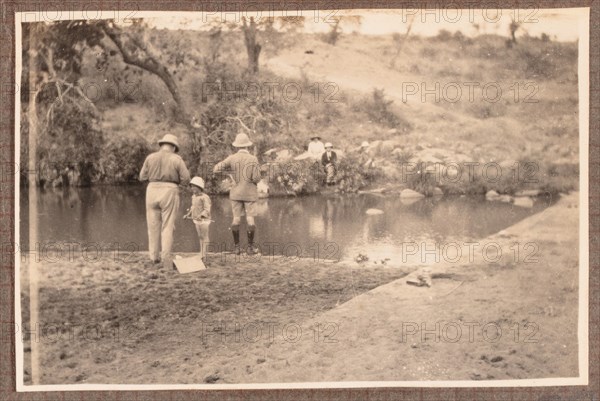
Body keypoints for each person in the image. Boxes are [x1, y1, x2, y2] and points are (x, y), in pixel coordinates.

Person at [139, 134, 191, 268]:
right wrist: (176, 184)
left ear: (162, 145)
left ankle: (153, 257)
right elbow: (186, 178)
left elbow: (141, 177)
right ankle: (166, 258)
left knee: (152, 226)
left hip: (152, 190)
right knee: (167, 226)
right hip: (169, 189)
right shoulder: (176, 158)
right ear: (173, 147)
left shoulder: (150, 157)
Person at [213, 133, 261, 255]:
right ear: (247, 146)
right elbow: (256, 178)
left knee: (236, 219)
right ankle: (250, 248)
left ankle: (237, 248)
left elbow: (216, 169)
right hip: (250, 193)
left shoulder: (232, 158)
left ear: (237, 146)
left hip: (236, 193)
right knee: (250, 219)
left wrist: (229, 176)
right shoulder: (253, 159)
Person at [183, 176, 212, 262]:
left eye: (194, 186)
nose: (192, 188)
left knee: (205, 236)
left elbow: (207, 209)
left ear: (199, 187)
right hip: (196, 220)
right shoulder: (193, 196)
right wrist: (187, 214)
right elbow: (193, 207)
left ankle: (205, 255)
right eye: (191, 186)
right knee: (200, 236)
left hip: (204, 220)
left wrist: (202, 215)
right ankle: (201, 253)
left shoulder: (205, 197)